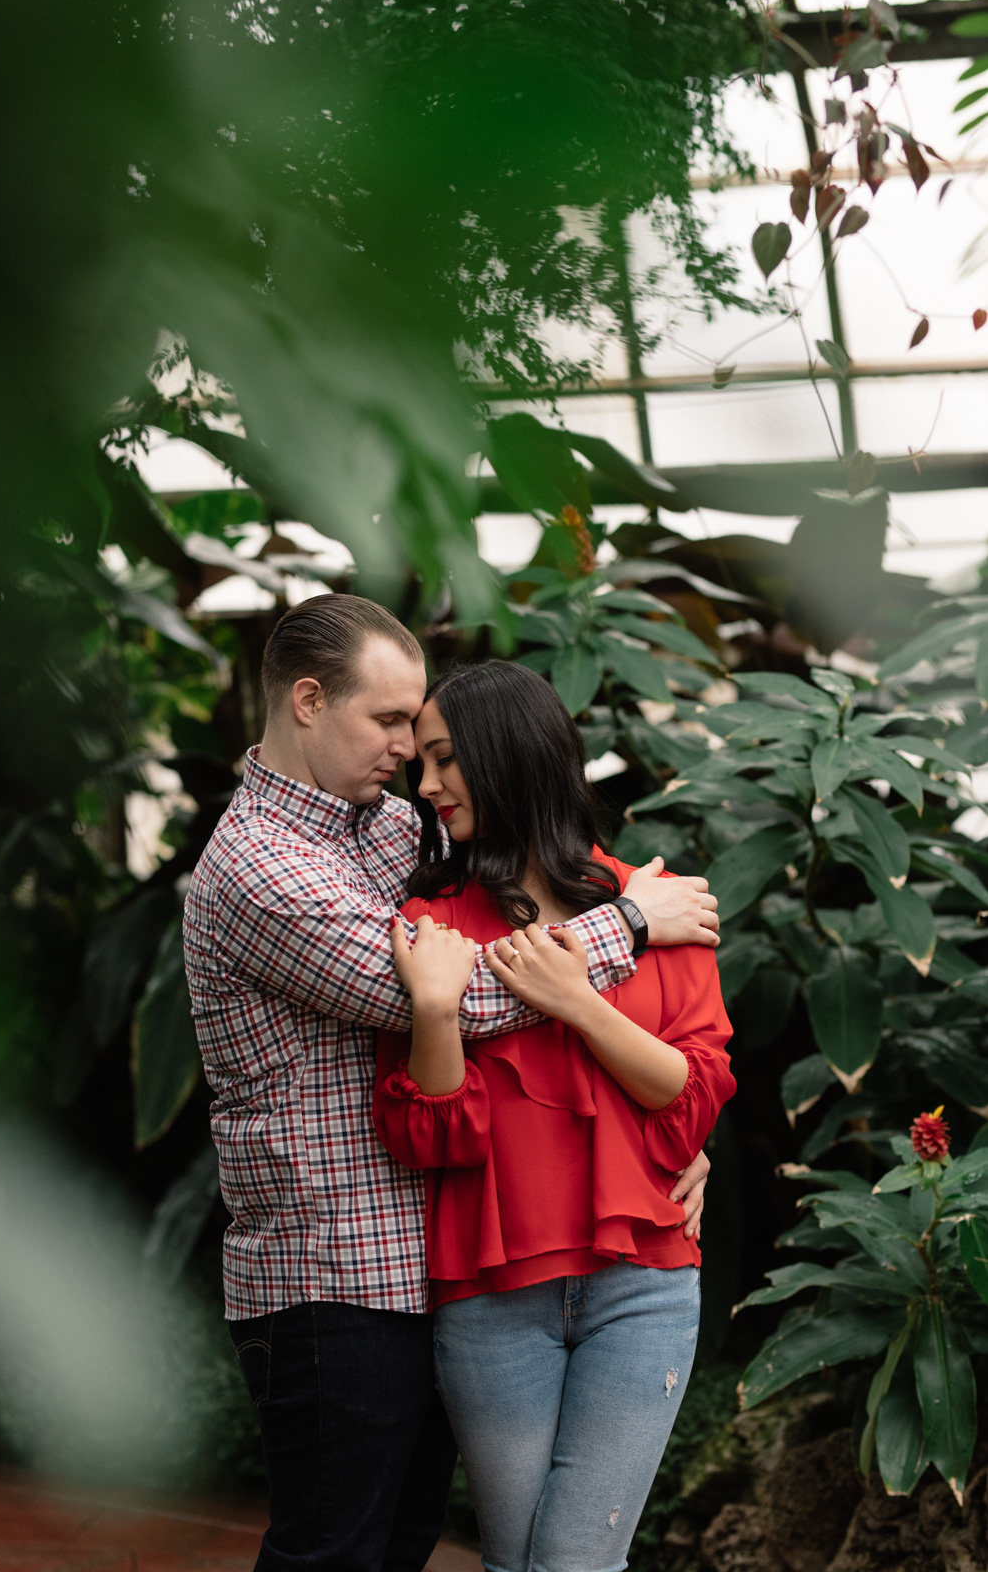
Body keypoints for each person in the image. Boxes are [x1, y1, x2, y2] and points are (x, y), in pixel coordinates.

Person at [183, 593, 721, 1572]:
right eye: (388, 721)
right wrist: (633, 922)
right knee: (334, 1552)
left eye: (424, 734)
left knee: (401, 1547)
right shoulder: (261, 865)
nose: (409, 756)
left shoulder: (390, 830)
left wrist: (679, 1141)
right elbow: (466, 997)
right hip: (330, 1282)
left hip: (427, 1273)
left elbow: (620, 1043)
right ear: (307, 699)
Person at [373, 660, 734, 1572]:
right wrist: (434, 1010)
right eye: (421, 763)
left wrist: (578, 1002)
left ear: (510, 757)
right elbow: (432, 1136)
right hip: (490, 1297)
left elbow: (687, 1104)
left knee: (574, 1563)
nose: (425, 786)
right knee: (517, 1562)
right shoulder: (427, 925)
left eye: (445, 760)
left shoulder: (661, 907)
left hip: (641, 1285)